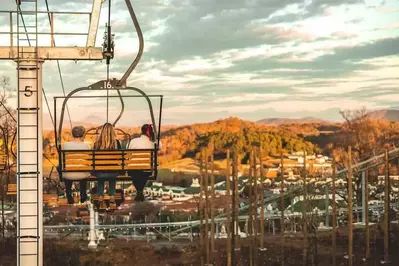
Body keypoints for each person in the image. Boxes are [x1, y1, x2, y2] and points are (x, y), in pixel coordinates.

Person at [127, 124, 162, 201]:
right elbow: (160, 146)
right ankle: (140, 192)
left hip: (133, 170)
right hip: (146, 170)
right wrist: (154, 137)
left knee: (136, 171)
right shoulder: (152, 143)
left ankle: (139, 192)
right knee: (143, 171)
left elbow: (128, 155)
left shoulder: (133, 141)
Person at [61, 126, 90, 204]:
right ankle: (83, 197)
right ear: (83, 135)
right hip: (82, 174)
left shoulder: (66, 145)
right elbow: (88, 160)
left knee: (65, 169)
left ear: (72, 134)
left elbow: (62, 160)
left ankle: (69, 197)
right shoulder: (86, 145)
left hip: (68, 174)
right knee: (83, 171)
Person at [93, 123, 122, 199]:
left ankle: (100, 195)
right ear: (113, 132)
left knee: (101, 176)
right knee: (112, 172)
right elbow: (121, 158)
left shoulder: (97, 144)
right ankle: (112, 194)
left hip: (100, 173)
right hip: (113, 173)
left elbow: (93, 159)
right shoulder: (117, 143)